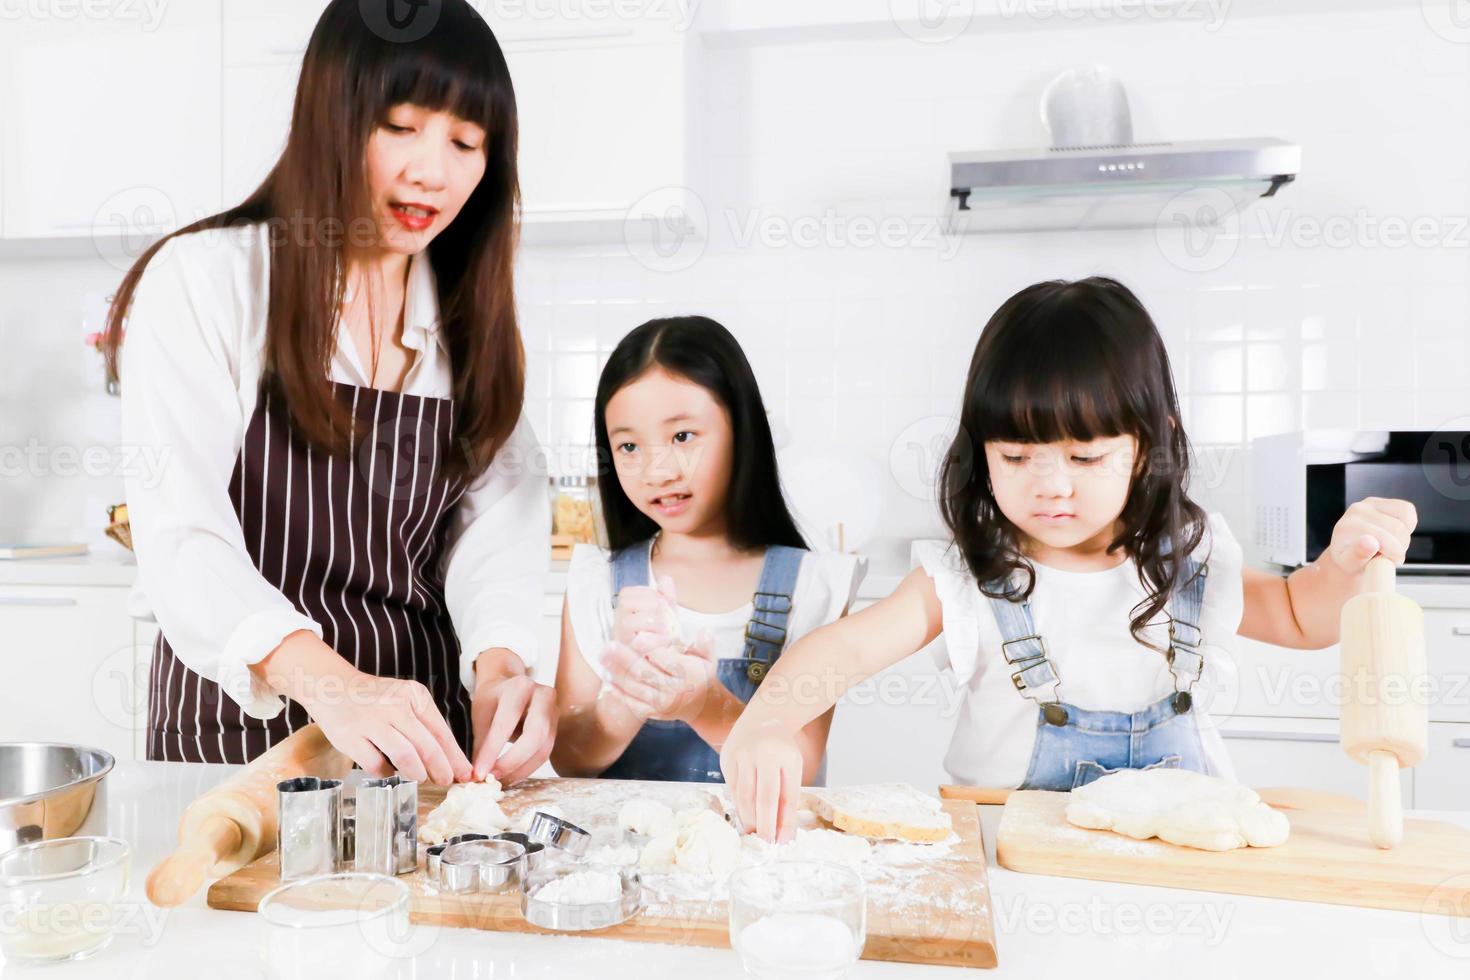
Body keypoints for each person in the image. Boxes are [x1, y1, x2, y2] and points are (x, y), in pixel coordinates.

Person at [720, 277, 1417, 840]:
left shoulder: (1191, 559)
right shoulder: (965, 580)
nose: (1051, 484)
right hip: (1010, 862)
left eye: (1086, 456)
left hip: (1179, 867)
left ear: (1150, 443)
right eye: (1016, 456)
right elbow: (839, 652)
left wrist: (1343, 568)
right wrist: (769, 722)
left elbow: (1301, 617)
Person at [108, 0, 556, 784]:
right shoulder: (210, 280)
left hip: (423, 752)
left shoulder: (469, 324)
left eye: (466, 142)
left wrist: (500, 669)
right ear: (330, 116)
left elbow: (499, 542)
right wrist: (334, 686)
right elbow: (182, 536)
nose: (434, 171)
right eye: (401, 126)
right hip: (237, 741)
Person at [549, 316, 866, 783]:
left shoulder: (815, 586)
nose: (658, 471)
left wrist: (701, 703)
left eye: (682, 437)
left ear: (743, 431)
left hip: (764, 855)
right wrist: (626, 702)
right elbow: (569, 757)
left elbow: (797, 766)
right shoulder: (596, 580)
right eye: (630, 445)